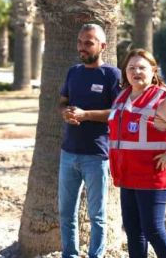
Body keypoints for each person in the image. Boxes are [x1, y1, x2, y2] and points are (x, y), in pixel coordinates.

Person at [108, 49, 166, 258]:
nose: (136, 72)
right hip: (128, 175)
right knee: (133, 231)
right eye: (131, 68)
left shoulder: (162, 98)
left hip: (152, 175)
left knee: (153, 230)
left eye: (142, 67)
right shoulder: (123, 96)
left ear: (153, 71)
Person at [58, 24, 121, 258]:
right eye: (79, 42)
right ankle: (70, 255)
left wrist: (86, 115)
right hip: (68, 153)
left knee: (97, 216)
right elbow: (63, 101)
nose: (81, 47)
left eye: (88, 43)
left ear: (102, 46)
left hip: (96, 155)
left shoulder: (112, 75)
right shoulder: (73, 72)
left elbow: (118, 113)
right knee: (66, 213)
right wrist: (65, 113)